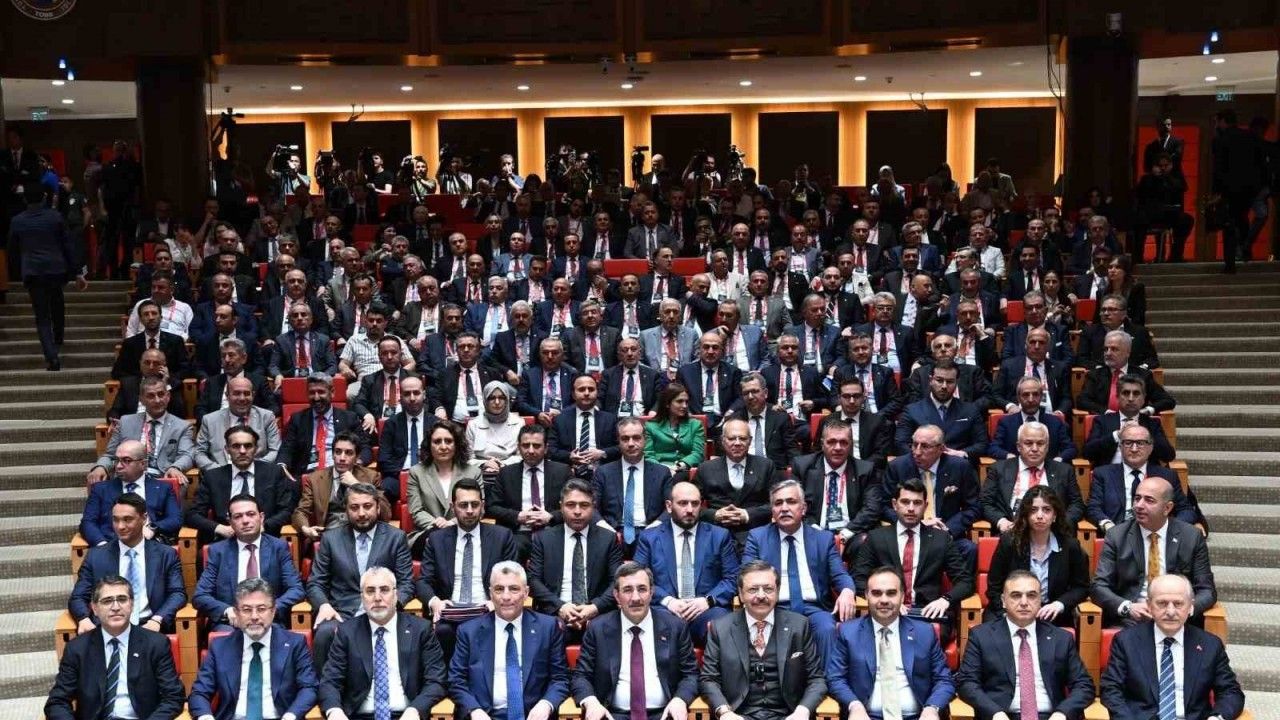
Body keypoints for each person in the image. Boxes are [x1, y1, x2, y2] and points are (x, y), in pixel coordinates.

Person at [1099, 574, 1245, 719]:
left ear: (1190, 606)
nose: (1170, 612)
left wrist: (1216, 718)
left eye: (1178, 604)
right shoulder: (1126, 642)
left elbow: (1231, 692)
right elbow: (1111, 689)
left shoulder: (1210, 645)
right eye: (1162, 603)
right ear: (1149, 605)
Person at [742, 479, 857, 661]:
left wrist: (848, 591)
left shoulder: (823, 539)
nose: (784, 508)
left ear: (803, 508)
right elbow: (746, 576)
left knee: (827, 628)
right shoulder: (757, 538)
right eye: (778, 503)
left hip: (814, 609)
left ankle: (827, 679)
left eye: (791, 502)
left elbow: (840, 574)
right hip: (772, 607)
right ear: (772, 511)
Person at [957, 570, 1096, 720]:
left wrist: (1062, 713)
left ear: (1040, 599)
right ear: (1003, 600)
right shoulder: (981, 636)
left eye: (1031, 595)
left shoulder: (1061, 638)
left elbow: (1084, 685)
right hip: (1001, 715)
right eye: (1016, 595)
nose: (1024, 602)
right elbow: (967, 683)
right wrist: (995, 713)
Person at [699, 559, 827, 720]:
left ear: (777, 591)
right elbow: (708, 679)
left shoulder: (799, 626)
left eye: (768, 589)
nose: (761, 595)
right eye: (753, 589)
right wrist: (724, 712)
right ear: (741, 593)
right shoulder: (720, 628)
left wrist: (802, 711)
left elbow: (817, 680)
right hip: (738, 715)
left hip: (788, 715)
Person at [569, 562, 699, 720]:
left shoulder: (675, 627)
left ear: (652, 592)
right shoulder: (597, 629)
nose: (636, 598)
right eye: (627, 590)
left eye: (642, 589)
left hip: (665, 714)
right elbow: (581, 676)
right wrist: (591, 703)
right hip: (612, 714)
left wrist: (680, 700)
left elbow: (691, 674)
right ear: (616, 595)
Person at [45, 575, 186, 720]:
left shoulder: (156, 644)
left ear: (132, 604)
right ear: (94, 608)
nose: (116, 607)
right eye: (107, 601)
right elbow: (57, 702)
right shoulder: (77, 648)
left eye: (122, 599)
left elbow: (173, 697)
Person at [317, 566, 448, 720]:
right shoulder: (347, 632)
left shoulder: (420, 630)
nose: (377, 597)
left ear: (396, 595)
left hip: (406, 715)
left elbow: (436, 680)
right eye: (370, 591)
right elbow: (330, 682)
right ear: (362, 597)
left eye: (384, 590)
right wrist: (335, 711)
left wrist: (415, 710)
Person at [307, 483, 415, 670]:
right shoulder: (331, 539)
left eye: (367, 506)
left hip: (384, 610)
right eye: (354, 507)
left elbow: (407, 583)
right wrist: (324, 605)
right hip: (342, 613)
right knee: (324, 633)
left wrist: (390, 606)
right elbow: (315, 583)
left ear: (378, 507)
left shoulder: (395, 538)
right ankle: (323, 687)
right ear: (346, 510)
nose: (362, 513)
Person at [826, 565, 955, 720]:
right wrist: (854, 705)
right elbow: (835, 678)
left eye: (891, 593)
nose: (884, 600)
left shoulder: (924, 633)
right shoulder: (848, 633)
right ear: (866, 596)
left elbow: (944, 680)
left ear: (902, 596)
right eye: (876, 593)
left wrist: (932, 708)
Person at [853, 479, 974, 642]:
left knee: (921, 637)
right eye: (905, 502)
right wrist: (888, 601)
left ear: (925, 506)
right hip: (885, 612)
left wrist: (945, 600)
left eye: (917, 503)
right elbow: (859, 579)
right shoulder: (876, 538)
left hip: (927, 614)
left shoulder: (941, 539)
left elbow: (965, 582)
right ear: (895, 504)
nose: (911, 508)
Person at [448, 561, 571, 720]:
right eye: (499, 589)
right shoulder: (468, 632)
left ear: (526, 593)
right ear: (490, 594)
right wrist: (474, 710)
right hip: (485, 715)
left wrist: (546, 704)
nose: (506, 596)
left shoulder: (547, 628)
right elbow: (456, 681)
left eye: (514, 589)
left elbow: (560, 679)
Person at [1091, 476, 1217, 627]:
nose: (1139, 505)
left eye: (1149, 500)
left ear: (1167, 508)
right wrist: (1128, 607)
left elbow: (1207, 590)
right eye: (1137, 498)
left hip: (1178, 619)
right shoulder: (1117, 536)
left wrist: (1185, 610)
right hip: (1132, 620)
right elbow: (1099, 586)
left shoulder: (1191, 536)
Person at [188, 577, 319, 720]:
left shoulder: (295, 644)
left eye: (261, 609)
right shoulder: (220, 647)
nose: (254, 616)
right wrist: (205, 716)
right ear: (236, 613)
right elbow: (199, 693)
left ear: (273, 611)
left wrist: (291, 715)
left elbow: (309, 687)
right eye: (246, 610)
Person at [418, 478, 519, 653]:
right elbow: (423, 581)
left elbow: (514, 578)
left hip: (489, 609)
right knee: (442, 632)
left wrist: (497, 601)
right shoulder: (437, 539)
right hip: (451, 612)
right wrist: (435, 603)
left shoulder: (502, 536)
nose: (470, 510)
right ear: (453, 507)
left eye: (475, 504)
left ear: (483, 506)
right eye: (463, 505)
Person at [634, 480, 739, 645]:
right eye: (683, 503)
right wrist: (669, 601)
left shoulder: (719, 536)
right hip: (665, 610)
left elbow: (733, 578)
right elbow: (639, 579)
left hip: (706, 610)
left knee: (723, 625)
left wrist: (707, 601)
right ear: (669, 506)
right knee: (655, 624)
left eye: (695, 504)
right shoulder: (649, 538)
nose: (690, 509)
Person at [69, 494, 187, 634]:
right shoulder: (95, 556)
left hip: (150, 627)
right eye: (116, 520)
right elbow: (78, 597)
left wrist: (157, 619)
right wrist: (83, 619)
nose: (120, 526)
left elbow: (177, 593)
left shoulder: (166, 555)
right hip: (108, 630)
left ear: (144, 518)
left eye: (127, 519)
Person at [193, 494, 305, 629]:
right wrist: (227, 611)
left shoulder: (278, 548)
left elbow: (296, 589)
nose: (245, 521)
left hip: (270, 622)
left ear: (261, 517)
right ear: (230, 521)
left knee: (275, 633)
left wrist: (270, 609)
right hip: (231, 624)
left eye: (251, 514)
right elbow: (200, 596)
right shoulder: (218, 551)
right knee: (226, 636)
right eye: (238, 516)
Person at [527, 480, 623, 636]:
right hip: (556, 614)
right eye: (571, 505)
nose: (577, 511)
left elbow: (617, 581)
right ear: (561, 506)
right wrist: (561, 607)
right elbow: (533, 581)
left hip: (597, 615)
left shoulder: (608, 539)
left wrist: (594, 607)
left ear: (593, 507)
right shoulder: (544, 539)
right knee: (551, 631)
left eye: (584, 505)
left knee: (603, 632)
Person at [881, 425, 981, 561]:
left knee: (969, 549)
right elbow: (885, 506)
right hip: (908, 533)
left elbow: (973, 507)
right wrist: (917, 524)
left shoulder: (960, 467)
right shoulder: (897, 467)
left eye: (925, 446)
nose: (917, 452)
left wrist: (948, 529)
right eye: (914, 445)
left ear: (941, 448)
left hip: (945, 534)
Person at [187, 426, 297, 543]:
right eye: (236, 446)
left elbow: (287, 510)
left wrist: (263, 526)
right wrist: (220, 528)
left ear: (256, 448)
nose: (242, 451)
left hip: (265, 539)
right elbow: (193, 514)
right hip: (226, 541)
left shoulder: (274, 473)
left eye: (248, 446)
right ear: (227, 449)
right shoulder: (213, 477)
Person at [1085, 423, 1197, 534]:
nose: (1134, 449)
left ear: (1150, 448)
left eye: (1140, 443)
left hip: (1155, 535)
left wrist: (1168, 529)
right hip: (1116, 535)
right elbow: (1093, 508)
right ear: (1120, 447)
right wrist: (1107, 525)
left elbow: (1186, 510)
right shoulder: (1103, 474)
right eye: (1128, 443)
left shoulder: (1167, 475)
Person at [793, 419, 882, 558]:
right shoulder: (802, 467)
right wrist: (818, 533)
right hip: (813, 532)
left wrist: (845, 534)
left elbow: (872, 509)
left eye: (843, 442)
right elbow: (795, 506)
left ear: (851, 445)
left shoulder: (865, 470)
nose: (838, 447)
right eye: (831, 442)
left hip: (852, 534)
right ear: (822, 444)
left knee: (866, 544)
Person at [86, 376, 195, 487]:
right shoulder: (125, 422)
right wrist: (101, 467)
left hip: (162, 480)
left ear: (168, 396)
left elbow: (187, 455)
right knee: (96, 480)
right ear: (142, 400)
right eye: (151, 396)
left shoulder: (182, 427)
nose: (157, 400)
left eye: (161, 394)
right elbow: (110, 455)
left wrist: (176, 467)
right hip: (127, 478)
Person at [980, 422, 1085, 534]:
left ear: (1047, 447)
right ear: (1019, 446)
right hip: (1011, 532)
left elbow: (1077, 504)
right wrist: (1001, 521)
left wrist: (1061, 523)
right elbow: (985, 502)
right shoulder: (999, 469)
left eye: (1040, 443)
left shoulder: (1064, 471)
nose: (1034, 448)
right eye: (1028, 443)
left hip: (1053, 532)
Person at [488, 423, 572, 556]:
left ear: (546, 448)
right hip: (518, 533)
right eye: (526, 445)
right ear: (518, 448)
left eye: (537, 446)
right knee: (512, 548)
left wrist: (551, 517)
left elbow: (573, 506)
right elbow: (492, 507)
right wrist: (517, 516)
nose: (531, 451)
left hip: (552, 531)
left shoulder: (562, 472)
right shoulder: (506, 473)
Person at [79, 439, 182, 546]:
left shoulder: (163, 488)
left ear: (143, 464)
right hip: (111, 546)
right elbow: (88, 522)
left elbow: (175, 519)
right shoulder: (100, 489)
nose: (118, 466)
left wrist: (152, 528)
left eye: (126, 460)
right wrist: (102, 544)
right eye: (117, 460)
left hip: (150, 545)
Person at [291, 431, 388, 541]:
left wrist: (357, 485)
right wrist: (306, 529)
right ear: (333, 455)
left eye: (348, 453)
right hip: (330, 538)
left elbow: (385, 514)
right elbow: (300, 512)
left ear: (357, 457)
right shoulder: (315, 479)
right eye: (338, 452)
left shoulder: (371, 477)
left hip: (362, 535)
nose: (342, 458)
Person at [593, 416, 674, 547]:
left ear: (645, 440)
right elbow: (593, 507)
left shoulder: (662, 473)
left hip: (651, 531)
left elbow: (671, 507)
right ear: (618, 441)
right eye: (625, 439)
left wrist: (654, 528)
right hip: (612, 532)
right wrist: (607, 531)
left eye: (636, 438)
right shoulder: (603, 472)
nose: (631, 443)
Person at [276, 373, 369, 482]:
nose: (316, 398)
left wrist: (356, 463)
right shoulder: (298, 419)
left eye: (321, 392)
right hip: (306, 476)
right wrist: (281, 466)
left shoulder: (349, 418)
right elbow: (287, 448)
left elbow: (365, 447)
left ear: (332, 392)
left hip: (340, 474)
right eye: (312, 393)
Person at [405, 419, 481, 548]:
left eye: (449, 441)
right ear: (429, 445)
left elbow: (478, 508)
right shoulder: (416, 472)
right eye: (437, 441)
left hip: (464, 528)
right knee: (436, 541)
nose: (443, 446)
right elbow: (416, 511)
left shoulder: (473, 472)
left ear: (457, 444)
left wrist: (453, 523)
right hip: (428, 531)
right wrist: (436, 523)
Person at [894, 361, 989, 462]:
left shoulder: (970, 410)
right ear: (930, 380)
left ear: (957, 382)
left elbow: (982, 444)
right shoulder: (912, 410)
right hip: (922, 465)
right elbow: (901, 443)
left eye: (950, 382)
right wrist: (923, 457)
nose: (944, 386)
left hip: (958, 465)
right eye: (939, 380)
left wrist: (962, 453)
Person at [1212, 108, 1269, 272]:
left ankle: (1231, 262)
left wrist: (1216, 191)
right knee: (1242, 218)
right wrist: (1263, 184)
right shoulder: (1250, 137)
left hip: (1229, 189)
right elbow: (1261, 162)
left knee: (1230, 224)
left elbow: (1219, 168)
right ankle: (1245, 249)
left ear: (1223, 121)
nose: (1216, 125)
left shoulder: (1221, 140)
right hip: (1251, 188)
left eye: (1217, 121)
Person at [1082, 375, 1176, 467]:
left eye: (1136, 393)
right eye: (1126, 393)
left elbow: (1168, 455)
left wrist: (1145, 435)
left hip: (1145, 474)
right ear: (1117, 397)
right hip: (1110, 473)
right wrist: (1116, 435)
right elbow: (1087, 453)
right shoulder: (1102, 421)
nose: (1131, 398)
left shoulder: (1152, 424)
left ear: (1143, 399)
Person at [193, 376, 282, 472]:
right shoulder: (209, 420)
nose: (242, 398)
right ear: (227, 396)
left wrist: (255, 468)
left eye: (246, 394)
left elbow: (275, 450)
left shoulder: (266, 417)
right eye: (236, 393)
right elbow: (199, 453)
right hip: (220, 473)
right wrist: (218, 471)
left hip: (258, 474)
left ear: (253, 395)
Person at [1075, 332, 1175, 416]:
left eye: (1114, 349)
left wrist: (1148, 410)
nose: (1108, 353)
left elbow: (1167, 400)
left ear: (1127, 352)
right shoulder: (1095, 375)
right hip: (1105, 424)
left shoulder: (1143, 375)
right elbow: (1082, 401)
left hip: (1136, 425)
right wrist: (1106, 412)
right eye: (1106, 349)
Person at [546, 374, 620, 478]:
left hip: (602, 473)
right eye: (581, 389)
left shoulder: (610, 419)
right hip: (570, 473)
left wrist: (603, 453)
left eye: (591, 389)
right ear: (573, 394)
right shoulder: (560, 420)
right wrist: (569, 456)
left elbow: (620, 447)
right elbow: (551, 450)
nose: (586, 393)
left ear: (597, 392)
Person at [988, 376, 1075, 462]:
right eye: (1026, 395)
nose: (1031, 399)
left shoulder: (1055, 422)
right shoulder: (1006, 422)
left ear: (1041, 397)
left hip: (1047, 468)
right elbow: (993, 448)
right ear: (1018, 398)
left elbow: (1070, 448)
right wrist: (1009, 457)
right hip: (1015, 468)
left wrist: (1058, 460)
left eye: (1035, 394)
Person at [726, 372, 797, 473]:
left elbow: (792, 451)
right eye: (746, 393)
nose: (750, 397)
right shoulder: (734, 420)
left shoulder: (780, 418)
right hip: (742, 472)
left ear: (766, 393)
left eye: (755, 391)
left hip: (774, 473)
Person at [1075, 295, 1159, 371]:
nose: (1106, 313)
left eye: (1111, 309)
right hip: (1101, 377)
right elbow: (1081, 358)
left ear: (1124, 314)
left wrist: (1141, 368)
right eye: (1103, 310)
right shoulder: (1089, 332)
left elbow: (1152, 359)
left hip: (1133, 376)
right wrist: (1098, 369)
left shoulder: (1139, 332)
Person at [644, 383, 707, 480]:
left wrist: (678, 466)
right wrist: (663, 469)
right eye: (679, 401)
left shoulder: (695, 425)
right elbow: (648, 455)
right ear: (667, 403)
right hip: (658, 470)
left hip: (685, 470)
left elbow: (698, 453)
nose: (684, 405)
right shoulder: (651, 426)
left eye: (686, 402)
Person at [466, 381, 525, 470]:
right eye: (492, 398)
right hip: (480, 470)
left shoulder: (519, 423)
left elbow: (522, 455)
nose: (497, 402)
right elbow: (468, 458)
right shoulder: (474, 424)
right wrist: (484, 464)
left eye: (501, 398)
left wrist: (503, 464)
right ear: (485, 400)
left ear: (507, 400)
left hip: (511, 469)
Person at [600, 337, 661, 418]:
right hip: (615, 419)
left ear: (639, 353)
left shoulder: (652, 375)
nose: (629, 354)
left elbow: (660, 398)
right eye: (625, 350)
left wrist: (654, 411)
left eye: (633, 349)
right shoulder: (609, 375)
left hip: (642, 418)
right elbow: (600, 398)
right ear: (619, 355)